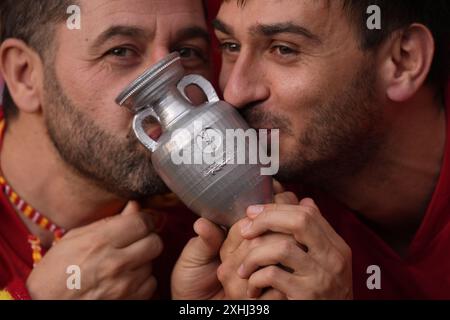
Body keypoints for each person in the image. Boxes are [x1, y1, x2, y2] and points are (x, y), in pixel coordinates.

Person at [172, 0, 450, 299]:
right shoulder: (220, 222)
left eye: (283, 49)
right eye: (230, 46)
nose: (234, 93)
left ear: (403, 60)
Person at [0, 0, 212, 300]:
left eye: (186, 52)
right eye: (121, 51)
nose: (169, 87)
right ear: (24, 75)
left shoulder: (211, 230)